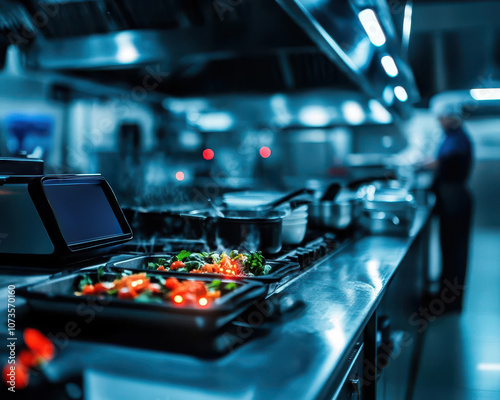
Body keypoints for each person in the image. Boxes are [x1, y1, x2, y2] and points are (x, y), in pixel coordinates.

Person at [430, 104, 473, 313]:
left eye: (441, 118)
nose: (440, 122)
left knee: (454, 251)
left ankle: (450, 303)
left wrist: (425, 164)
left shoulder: (458, 138)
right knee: (449, 250)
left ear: (451, 117)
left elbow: (444, 161)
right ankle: (444, 298)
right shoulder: (452, 136)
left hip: (454, 199)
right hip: (451, 198)